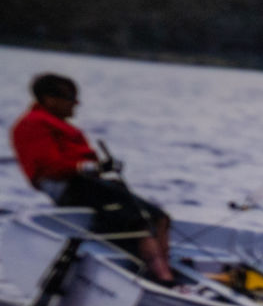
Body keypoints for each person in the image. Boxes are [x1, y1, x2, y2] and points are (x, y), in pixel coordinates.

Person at [10, 73, 174, 284]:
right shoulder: (33, 124)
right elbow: (49, 168)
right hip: (71, 188)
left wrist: (99, 168)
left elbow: (83, 164)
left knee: (160, 217)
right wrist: (91, 167)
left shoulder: (59, 125)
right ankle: (164, 278)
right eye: (70, 98)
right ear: (48, 99)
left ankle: (164, 271)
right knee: (138, 221)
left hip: (89, 185)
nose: (76, 104)